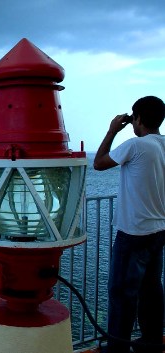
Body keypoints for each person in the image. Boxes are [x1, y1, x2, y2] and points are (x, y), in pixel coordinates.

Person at [93, 95, 165, 353]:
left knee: (122, 296)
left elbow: (99, 163)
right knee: (151, 292)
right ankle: (152, 344)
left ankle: (117, 349)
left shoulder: (136, 145)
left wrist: (112, 130)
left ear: (139, 119)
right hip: (159, 231)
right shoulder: (163, 145)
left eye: (134, 119)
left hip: (134, 233)